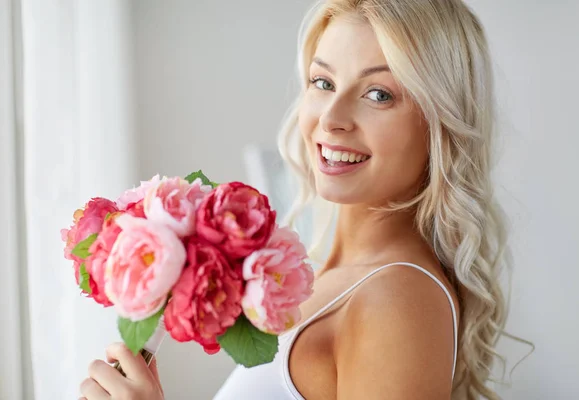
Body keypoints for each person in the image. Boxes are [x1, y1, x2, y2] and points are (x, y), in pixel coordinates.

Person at [79, 0, 516, 399]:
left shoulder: (396, 300)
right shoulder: (331, 274)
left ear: (441, 121)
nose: (332, 118)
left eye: (378, 94)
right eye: (323, 82)